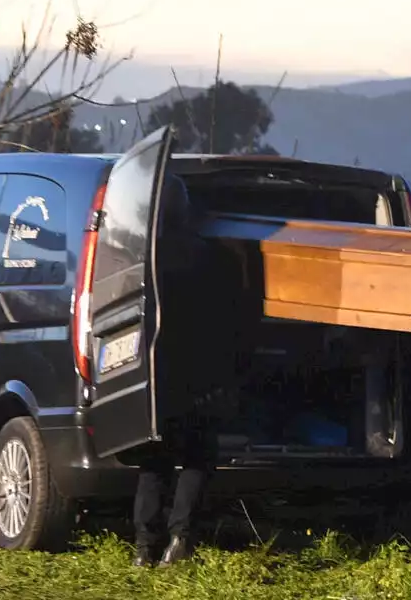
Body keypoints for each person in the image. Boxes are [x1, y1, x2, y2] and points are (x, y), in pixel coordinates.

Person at [132, 175, 237, 568]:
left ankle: (144, 549)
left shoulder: (144, 258)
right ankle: (180, 540)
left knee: (154, 460)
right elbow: (232, 320)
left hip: (156, 373)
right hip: (202, 373)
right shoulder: (214, 257)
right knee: (196, 456)